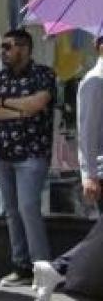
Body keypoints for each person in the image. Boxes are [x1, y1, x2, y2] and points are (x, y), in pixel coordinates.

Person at [0, 29, 56, 287]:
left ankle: (43, 269)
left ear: (23, 49)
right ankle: (21, 266)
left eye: (7, 47)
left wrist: (4, 104)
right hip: (3, 154)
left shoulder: (43, 74)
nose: (2, 52)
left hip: (31, 154)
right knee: (12, 212)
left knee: (28, 209)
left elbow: (38, 103)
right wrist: (19, 112)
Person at [33, 36, 103, 300]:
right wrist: (89, 175)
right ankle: (60, 268)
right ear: (99, 47)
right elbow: (86, 132)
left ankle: (58, 269)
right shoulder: (95, 81)